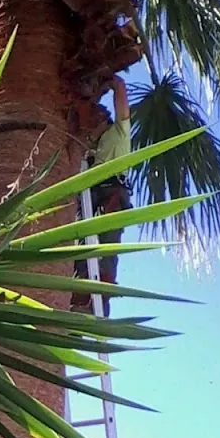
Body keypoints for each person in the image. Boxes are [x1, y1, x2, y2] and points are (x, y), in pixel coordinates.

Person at [71, 75, 132, 317]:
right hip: (87, 195)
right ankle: (77, 297)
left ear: (104, 121)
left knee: (104, 246)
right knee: (79, 247)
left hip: (111, 193)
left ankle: (98, 301)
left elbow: (121, 101)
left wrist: (112, 82)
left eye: (97, 122)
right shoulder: (86, 149)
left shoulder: (118, 134)